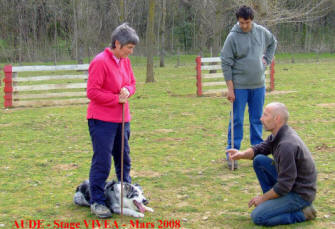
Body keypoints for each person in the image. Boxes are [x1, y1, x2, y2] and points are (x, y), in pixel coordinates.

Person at [227, 102, 317, 226]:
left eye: (265, 115)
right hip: (290, 185)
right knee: (259, 160)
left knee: (258, 216)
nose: (261, 118)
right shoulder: (278, 134)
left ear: (277, 119)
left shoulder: (286, 145)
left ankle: (303, 213)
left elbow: (284, 185)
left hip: (300, 194)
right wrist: (241, 154)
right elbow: (260, 148)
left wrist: (262, 199)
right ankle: (275, 203)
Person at [86, 23, 139, 218]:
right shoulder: (100, 62)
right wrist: (115, 98)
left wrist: (128, 91)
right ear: (117, 44)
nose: (131, 52)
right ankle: (97, 201)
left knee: (123, 157)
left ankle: (126, 194)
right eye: (129, 48)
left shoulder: (125, 61)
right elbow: (92, 92)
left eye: (132, 48)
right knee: (102, 161)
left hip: (123, 118)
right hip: (101, 119)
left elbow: (131, 83)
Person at [220, 5, 277, 169]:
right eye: (241, 23)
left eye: (246, 22)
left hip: (258, 85)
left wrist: (266, 59)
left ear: (252, 20)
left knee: (258, 119)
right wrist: (230, 88)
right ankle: (232, 155)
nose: (244, 26)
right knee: (237, 119)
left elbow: (273, 43)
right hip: (239, 87)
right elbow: (226, 62)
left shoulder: (261, 32)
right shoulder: (232, 37)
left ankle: (258, 154)